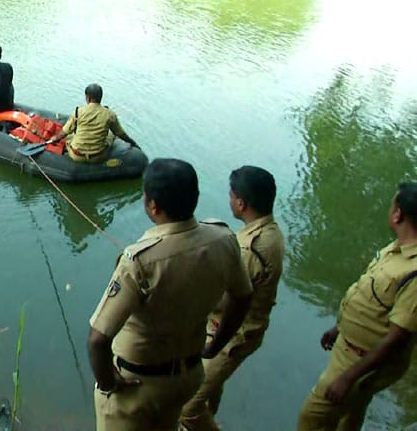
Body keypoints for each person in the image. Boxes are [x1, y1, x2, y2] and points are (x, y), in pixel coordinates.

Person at [87, 158, 253, 431]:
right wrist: (216, 344)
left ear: (152, 205)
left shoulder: (138, 260)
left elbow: (97, 339)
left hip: (137, 385)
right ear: (196, 198)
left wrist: (108, 383)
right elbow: (243, 296)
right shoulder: (224, 240)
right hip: (187, 377)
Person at [296, 182, 417, 431]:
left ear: (398, 214)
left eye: (392, 204)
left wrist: (348, 378)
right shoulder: (395, 250)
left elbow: (397, 337)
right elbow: (371, 300)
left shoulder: (414, 274)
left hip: (361, 362)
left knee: (311, 418)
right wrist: (339, 328)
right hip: (350, 348)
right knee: (351, 411)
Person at [179, 166, 286, 431]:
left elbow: (230, 301)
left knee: (187, 408)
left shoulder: (251, 248)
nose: (229, 200)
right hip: (239, 329)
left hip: (231, 334)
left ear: (241, 202)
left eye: (231, 195)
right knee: (212, 385)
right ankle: (209, 416)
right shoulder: (270, 232)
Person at [51, 84, 140, 163]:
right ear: (101, 97)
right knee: (111, 134)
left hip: (77, 156)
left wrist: (55, 138)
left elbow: (64, 132)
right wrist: (133, 143)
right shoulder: (110, 114)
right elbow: (121, 134)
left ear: (88, 98)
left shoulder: (79, 112)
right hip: (98, 156)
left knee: (69, 138)